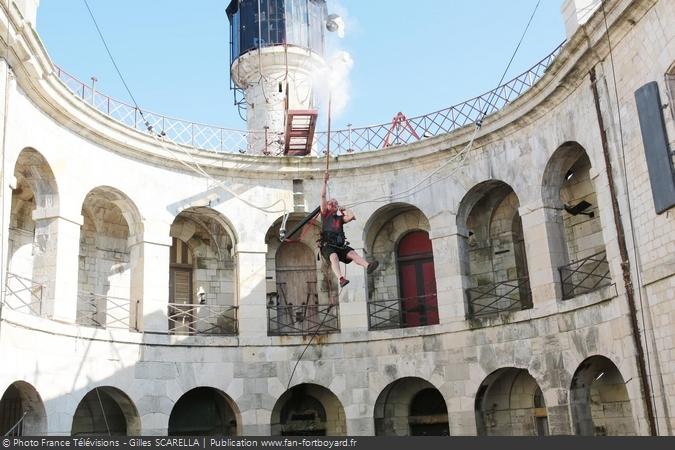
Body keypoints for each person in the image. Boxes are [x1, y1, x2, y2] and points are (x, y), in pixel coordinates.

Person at [320, 171, 378, 287]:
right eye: (331, 203)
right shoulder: (325, 214)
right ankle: (341, 278)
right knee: (334, 257)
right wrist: (324, 181)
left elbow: (352, 217)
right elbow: (322, 196)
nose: (333, 204)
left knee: (352, 253)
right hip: (328, 246)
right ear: (327, 205)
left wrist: (344, 209)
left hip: (340, 245)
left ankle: (368, 266)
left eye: (335, 203)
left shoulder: (340, 218)